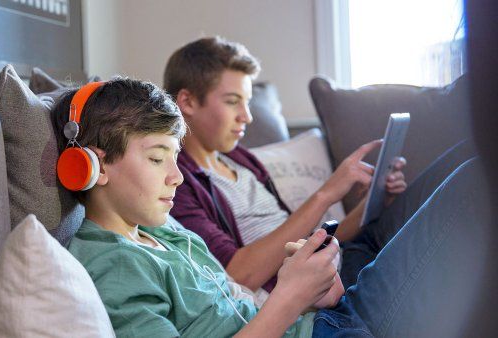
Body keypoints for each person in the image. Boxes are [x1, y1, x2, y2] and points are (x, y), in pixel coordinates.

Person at [52, 78, 487, 337]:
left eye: (175, 157)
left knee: (472, 151)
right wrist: (290, 296)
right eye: (156, 157)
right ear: (90, 164)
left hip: (324, 319)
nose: (177, 176)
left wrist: (311, 293)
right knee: (475, 177)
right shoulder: (111, 266)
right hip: (329, 330)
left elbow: (235, 306)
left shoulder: (165, 232)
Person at [164, 37, 476, 290]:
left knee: (466, 156)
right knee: (468, 174)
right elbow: (241, 275)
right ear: (188, 102)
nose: (247, 116)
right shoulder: (176, 182)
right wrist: (327, 194)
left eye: (246, 102)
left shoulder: (241, 160)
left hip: (347, 257)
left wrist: (373, 204)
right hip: (336, 288)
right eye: (233, 101)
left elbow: (310, 241)